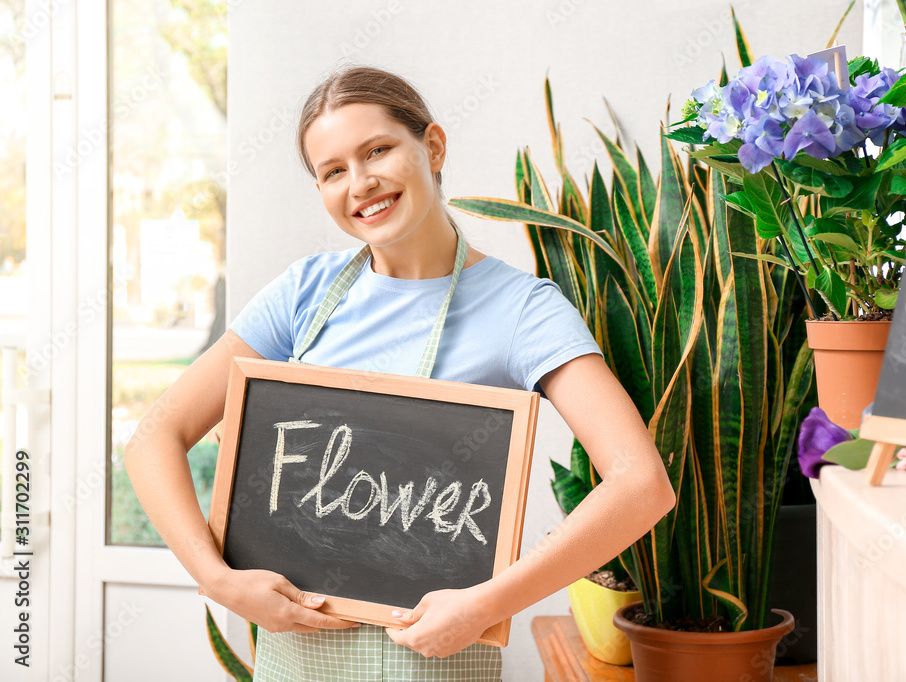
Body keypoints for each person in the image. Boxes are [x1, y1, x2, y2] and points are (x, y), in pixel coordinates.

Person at [124, 65, 675, 681]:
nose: (360, 183)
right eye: (332, 171)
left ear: (433, 146)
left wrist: (487, 604)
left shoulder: (523, 309)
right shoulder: (302, 294)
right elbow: (155, 438)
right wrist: (217, 579)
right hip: (296, 664)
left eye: (377, 151)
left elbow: (640, 484)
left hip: (436, 664)